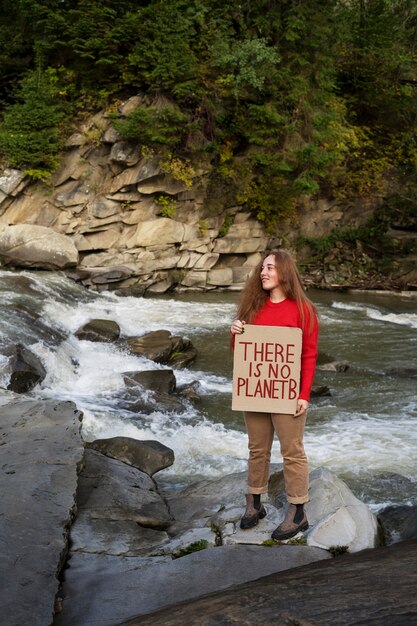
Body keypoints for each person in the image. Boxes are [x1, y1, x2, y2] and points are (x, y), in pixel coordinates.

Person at [230, 249, 318, 540]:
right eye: (262, 268)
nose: (263, 273)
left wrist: (303, 395)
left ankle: (298, 510)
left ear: (284, 273)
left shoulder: (303, 310)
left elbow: (308, 355)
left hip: (287, 392)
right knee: (257, 448)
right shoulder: (253, 307)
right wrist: (236, 332)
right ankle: (254, 502)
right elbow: (242, 352)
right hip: (257, 388)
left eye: (270, 268)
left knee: (292, 450)